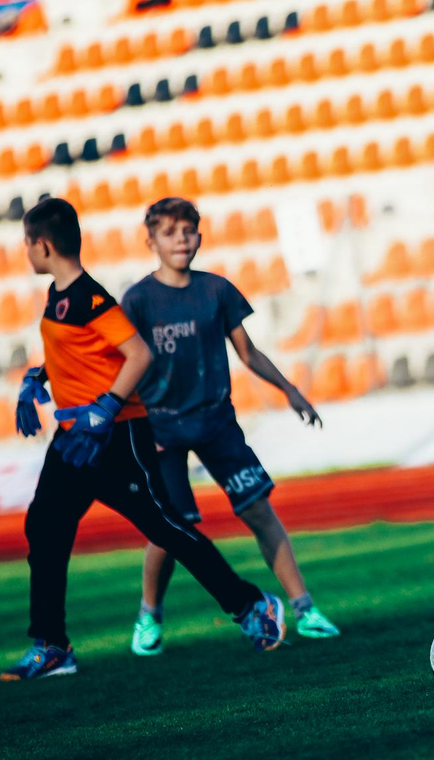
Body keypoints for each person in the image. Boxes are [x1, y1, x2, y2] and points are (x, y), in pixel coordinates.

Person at [2, 198, 283, 681]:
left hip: (116, 437)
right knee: (44, 527)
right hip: (74, 439)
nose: (27, 251)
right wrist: (38, 378)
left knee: (166, 528)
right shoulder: (59, 295)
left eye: (28, 243)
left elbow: (139, 354)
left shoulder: (92, 299)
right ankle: (51, 645)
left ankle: (251, 604)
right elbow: (81, 354)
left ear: (42, 246)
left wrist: (107, 407)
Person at [120, 197, 338, 657]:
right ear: (151, 241)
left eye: (188, 230)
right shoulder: (137, 300)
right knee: (169, 529)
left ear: (199, 236)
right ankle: (149, 615)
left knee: (258, 510)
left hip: (217, 423)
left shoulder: (216, 290)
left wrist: (289, 389)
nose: (181, 239)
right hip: (161, 431)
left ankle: (305, 609)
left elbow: (248, 352)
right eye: (169, 232)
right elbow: (124, 364)